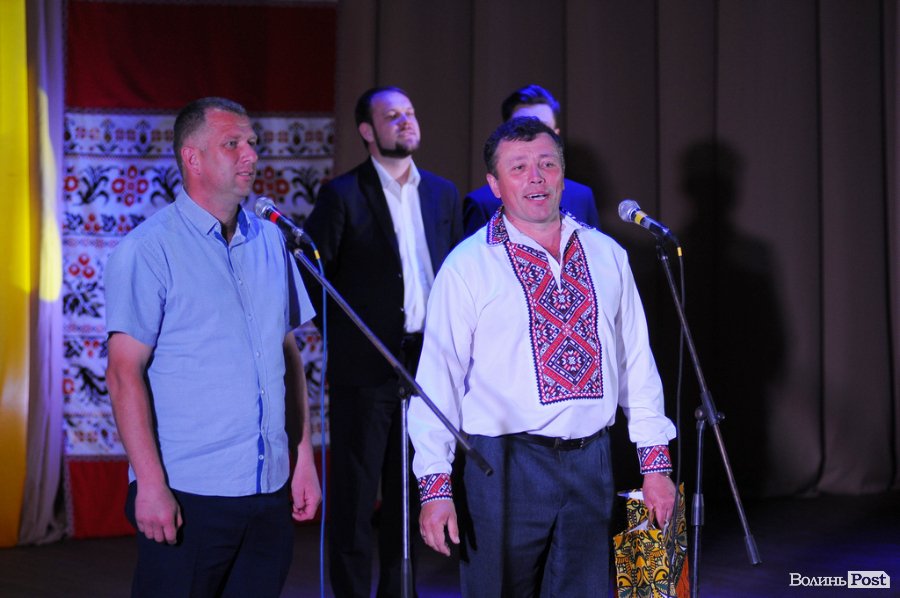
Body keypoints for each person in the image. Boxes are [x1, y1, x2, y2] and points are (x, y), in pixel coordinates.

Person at [409, 116, 676, 596]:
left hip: (592, 461)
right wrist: (435, 486)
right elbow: (437, 381)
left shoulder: (606, 254)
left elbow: (636, 362)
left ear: (563, 174)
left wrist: (655, 464)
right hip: (504, 466)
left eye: (547, 164)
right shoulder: (468, 266)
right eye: (518, 168)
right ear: (495, 185)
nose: (536, 177)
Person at [105, 97, 321, 597]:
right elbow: (122, 373)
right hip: (190, 492)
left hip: (268, 489)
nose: (251, 155)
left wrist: (303, 457)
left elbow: (287, 357)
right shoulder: (148, 249)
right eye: (232, 144)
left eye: (252, 143)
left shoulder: (271, 241)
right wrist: (150, 485)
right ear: (193, 158)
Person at [302, 86, 462, 597]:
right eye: (392, 115)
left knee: (409, 492)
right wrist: (346, 335)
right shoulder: (342, 194)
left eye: (410, 112)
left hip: (426, 363)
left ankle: (399, 591)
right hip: (365, 365)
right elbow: (311, 273)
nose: (406, 121)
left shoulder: (442, 193)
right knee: (354, 496)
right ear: (367, 131)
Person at [463, 84, 600, 236]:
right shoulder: (482, 203)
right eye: (523, 129)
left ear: (556, 134)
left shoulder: (581, 196)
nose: (534, 138)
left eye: (543, 129)